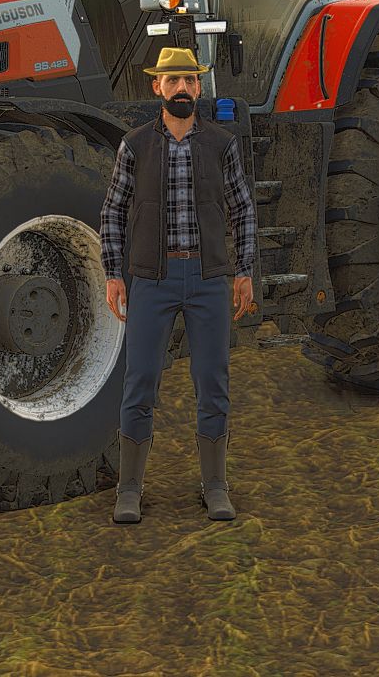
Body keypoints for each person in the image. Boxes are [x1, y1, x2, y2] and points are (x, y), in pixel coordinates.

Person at [100, 45, 256, 524]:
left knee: (213, 383)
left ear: (199, 85)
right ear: (158, 88)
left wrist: (245, 270)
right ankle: (130, 489)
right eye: (173, 81)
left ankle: (215, 486)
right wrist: (113, 273)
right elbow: (113, 210)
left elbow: (242, 208)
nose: (182, 88)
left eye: (189, 79)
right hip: (153, 279)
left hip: (209, 279)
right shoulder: (134, 145)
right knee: (139, 382)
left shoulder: (222, 144)